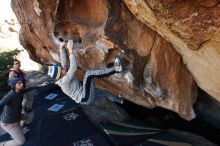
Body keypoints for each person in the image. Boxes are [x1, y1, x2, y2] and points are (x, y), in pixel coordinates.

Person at [45, 40, 123, 105]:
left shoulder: (62, 74)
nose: (63, 69)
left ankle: (120, 100)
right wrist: (70, 50)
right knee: (89, 74)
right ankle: (116, 69)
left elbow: (64, 64)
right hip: (84, 98)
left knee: (102, 92)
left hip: (85, 96)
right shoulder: (64, 82)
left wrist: (62, 48)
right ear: (60, 76)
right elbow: (73, 67)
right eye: (61, 70)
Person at [0, 78, 47, 146]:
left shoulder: (20, 91)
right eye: (19, 83)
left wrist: (41, 85)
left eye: (21, 82)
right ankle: (2, 144)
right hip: (9, 123)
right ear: (14, 86)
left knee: (26, 117)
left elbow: (30, 88)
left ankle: (16, 132)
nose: (22, 84)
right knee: (21, 142)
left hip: (17, 116)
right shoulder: (10, 95)